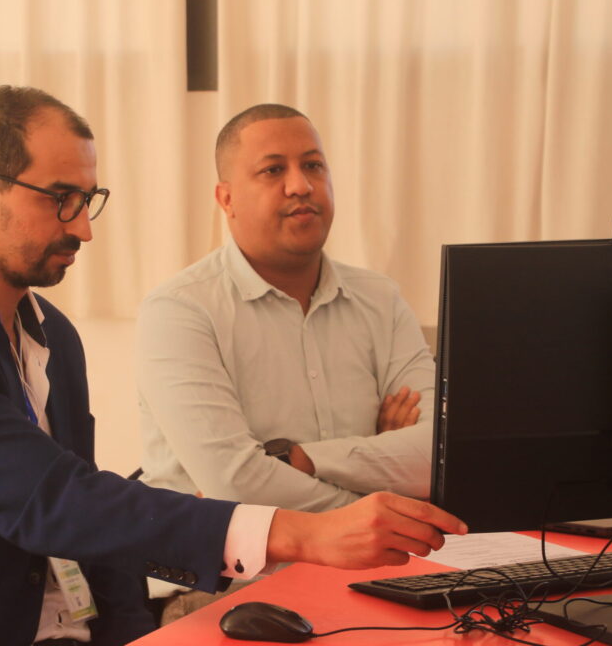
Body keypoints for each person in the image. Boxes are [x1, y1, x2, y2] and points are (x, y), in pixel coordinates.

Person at [0, 86, 465, 646]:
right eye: (60, 199)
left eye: (88, 200)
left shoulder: (54, 334)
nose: (83, 229)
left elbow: (90, 525)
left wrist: (134, 633)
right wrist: (306, 533)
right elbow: (56, 501)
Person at [136, 104, 437, 617]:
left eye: (313, 165)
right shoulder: (180, 311)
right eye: (273, 170)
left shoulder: (380, 299)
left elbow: (437, 453)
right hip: (227, 588)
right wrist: (378, 499)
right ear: (226, 198)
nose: (301, 185)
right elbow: (234, 482)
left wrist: (302, 459)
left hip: (381, 573)